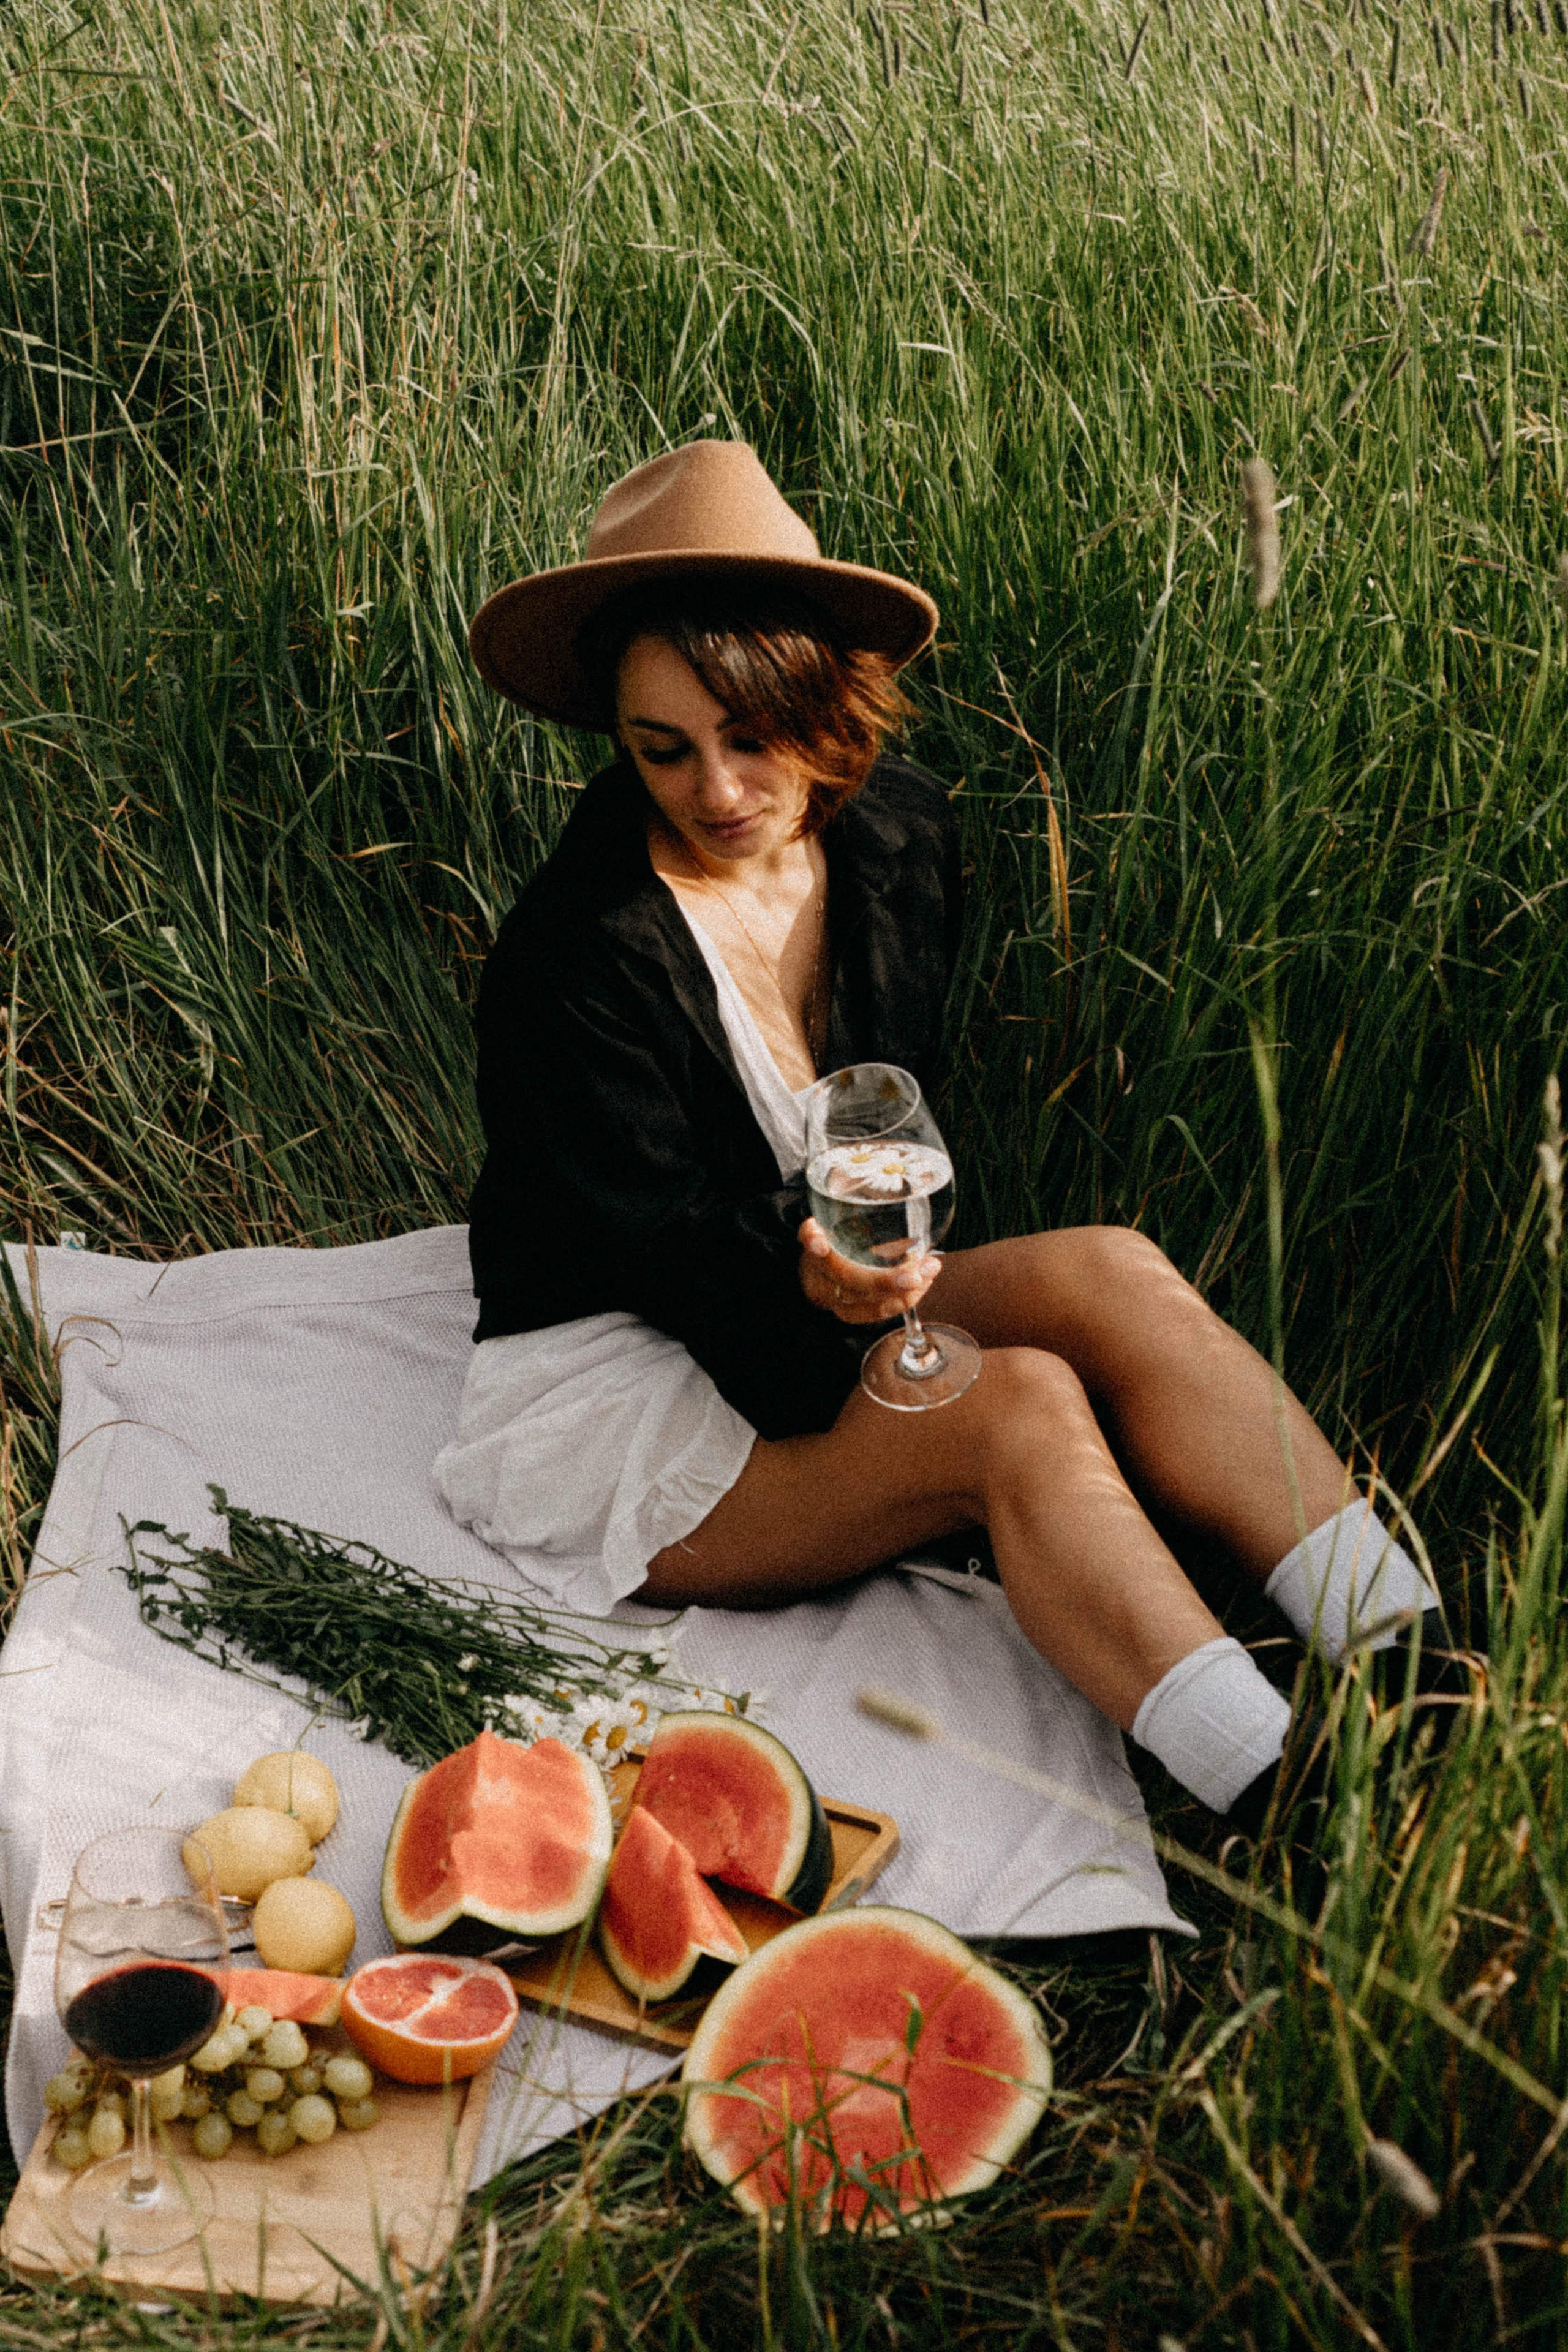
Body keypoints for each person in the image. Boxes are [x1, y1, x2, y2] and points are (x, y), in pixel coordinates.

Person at [436, 438, 1448, 1843]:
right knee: (1008, 1402)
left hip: (805, 1286)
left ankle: (1421, 1676)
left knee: (1109, 1269)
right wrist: (821, 1285)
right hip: (631, 1372)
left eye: (750, 734)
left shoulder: (896, 840)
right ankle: (1306, 1820)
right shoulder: (573, 954)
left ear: (824, 698)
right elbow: (662, 1251)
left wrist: (851, 1273)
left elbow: (875, 1110)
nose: (716, 790)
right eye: (661, 749)